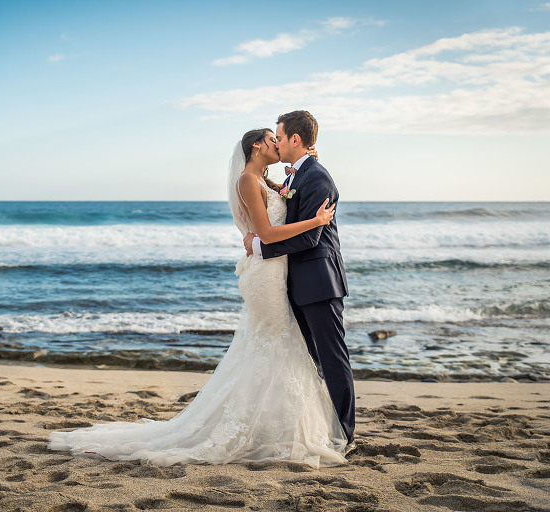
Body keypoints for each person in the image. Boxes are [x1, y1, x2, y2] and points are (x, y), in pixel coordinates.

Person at [46, 125, 348, 467]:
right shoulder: (248, 180)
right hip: (266, 276)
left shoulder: (270, 180)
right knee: (274, 347)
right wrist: (315, 222)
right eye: (270, 139)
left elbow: (285, 200)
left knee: (277, 349)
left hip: (277, 274)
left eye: (279, 137)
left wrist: (305, 165)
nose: (276, 143)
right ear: (255, 147)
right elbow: (265, 232)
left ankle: (273, 427)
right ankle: (263, 429)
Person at [244, 110, 355, 446]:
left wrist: (259, 249)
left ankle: (345, 435)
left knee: (332, 359)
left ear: (295, 139)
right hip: (297, 283)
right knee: (312, 361)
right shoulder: (294, 176)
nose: (276, 143)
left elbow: (310, 237)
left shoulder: (318, 178)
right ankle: (324, 427)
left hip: (320, 282)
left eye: (278, 137)